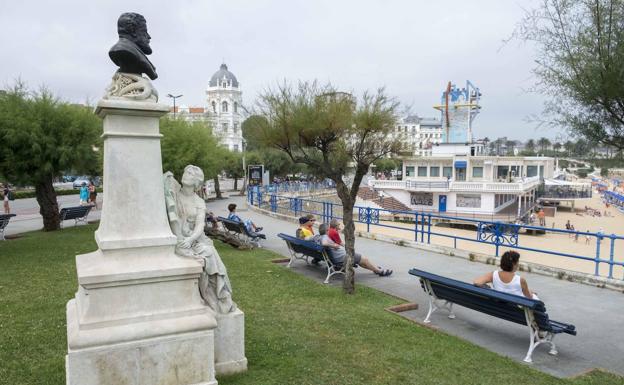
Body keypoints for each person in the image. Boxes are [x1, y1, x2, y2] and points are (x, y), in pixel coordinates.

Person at [164, 166, 236, 314]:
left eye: (191, 174)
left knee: (210, 255)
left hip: (194, 239)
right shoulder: (173, 193)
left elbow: (200, 225)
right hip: (178, 237)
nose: (186, 174)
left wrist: (190, 240)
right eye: (186, 171)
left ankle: (219, 296)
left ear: (197, 182)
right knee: (208, 255)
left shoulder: (199, 202)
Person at [317, 223, 392, 277]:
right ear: (327, 230)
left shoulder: (318, 236)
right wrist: (334, 245)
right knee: (364, 259)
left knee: (362, 260)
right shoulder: (324, 237)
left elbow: (308, 238)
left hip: (338, 257)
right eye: (328, 229)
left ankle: (375, 269)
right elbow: (324, 243)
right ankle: (380, 272)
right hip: (341, 258)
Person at [473, 251, 538, 300]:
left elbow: (476, 282)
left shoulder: (494, 275)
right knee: (535, 297)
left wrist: (488, 288)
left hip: (500, 305)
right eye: (518, 262)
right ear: (514, 264)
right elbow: (529, 297)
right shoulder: (520, 280)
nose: (518, 264)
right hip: (516, 308)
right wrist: (531, 292)